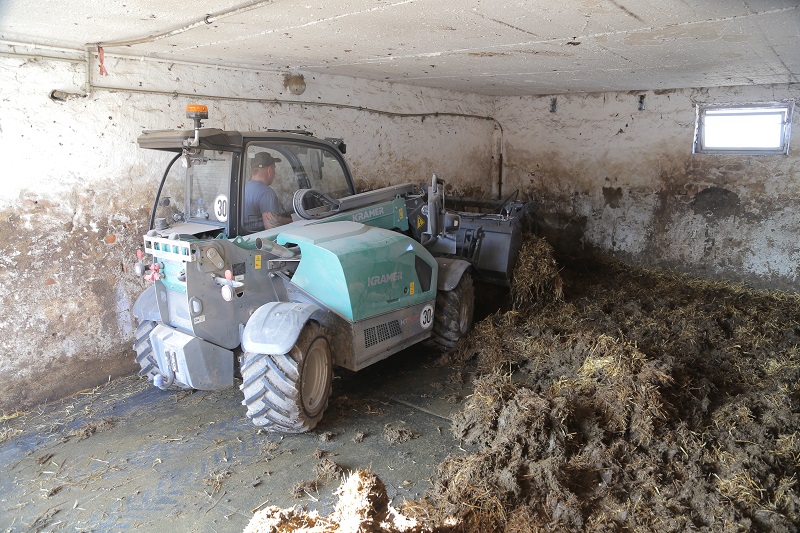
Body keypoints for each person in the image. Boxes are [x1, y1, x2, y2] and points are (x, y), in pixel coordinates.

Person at [244, 152, 293, 231]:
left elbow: (273, 218)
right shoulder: (266, 192)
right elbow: (271, 227)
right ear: (269, 170)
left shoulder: (244, 188)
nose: (275, 172)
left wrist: (292, 221)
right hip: (259, 240)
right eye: (274, 168)